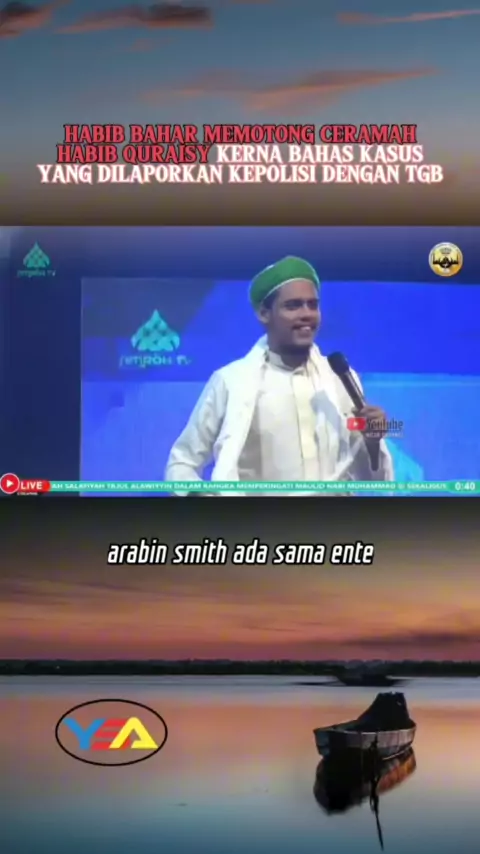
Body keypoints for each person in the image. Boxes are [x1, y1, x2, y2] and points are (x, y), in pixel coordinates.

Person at [165, 256, 394, 494]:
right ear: (264, 313)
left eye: (312, 305)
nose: (307, 314)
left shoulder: (341, 379)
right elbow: (181, 463)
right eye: (293, 306)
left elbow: (372, 479)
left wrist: (372, 441)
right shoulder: (231, 382)